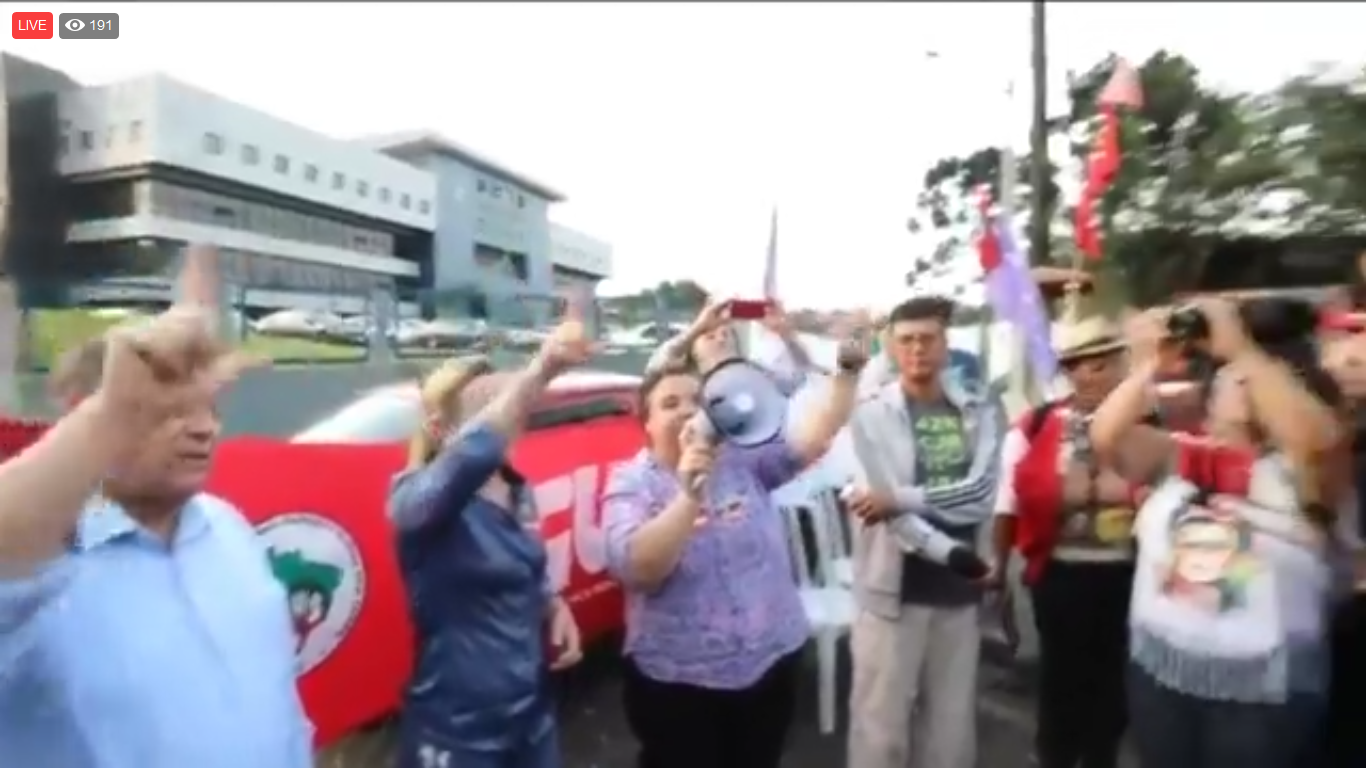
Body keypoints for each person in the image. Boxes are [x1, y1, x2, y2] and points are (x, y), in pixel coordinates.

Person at [0, 247, 308, 768]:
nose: (205, 428)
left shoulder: (229, 528)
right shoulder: (39, 566)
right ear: (89, 417)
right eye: (169, 411)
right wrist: (109, 416)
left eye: (209, 408)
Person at [1089, 297, 1346, 768]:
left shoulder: (1303, 472)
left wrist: (1241, 349)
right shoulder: (1187, 455)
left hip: (1262, 691)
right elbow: (1106, 436)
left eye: (1241, 377)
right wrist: (1150, 364)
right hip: (1164, 673)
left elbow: (1315, 442)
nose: (1228, 380)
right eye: (1225, 375)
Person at [603, 319, 868, 768]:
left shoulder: (744, 459)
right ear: (645, 423)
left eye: (698, 400)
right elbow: (638, 567)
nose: (689, 411)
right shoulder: (633, 484)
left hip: (769, 662)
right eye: (670, 404)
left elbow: (817, 433)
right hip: (682, 686)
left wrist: (847, 371)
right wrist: (691, 494)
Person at [386, 311, 592, 768]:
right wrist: (541, 368)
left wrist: (552, 604)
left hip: (531, 717)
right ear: (441, 429)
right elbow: (474, 453)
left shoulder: (517, 490)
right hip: (455, 735)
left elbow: (521, 567)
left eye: (508, 405)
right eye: (491, 408)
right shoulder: (417, 501)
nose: (511, 418)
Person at [842, 295, 1006, 768]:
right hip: (891, 591)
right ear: (891, 347)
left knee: (950, 729)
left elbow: (980, 492)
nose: (917, 349)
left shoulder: (978, 410)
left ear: (945, 343)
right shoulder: (868, 414)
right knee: (879, 727)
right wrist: (950, 550)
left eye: (927, 339)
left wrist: (902, 498)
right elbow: (879, 508)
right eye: (907, 340)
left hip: (958, 594)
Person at [988, 314, 1136, 768]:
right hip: (1060, 573)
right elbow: (1007, 503)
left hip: (1132, 575)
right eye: (1078, 365)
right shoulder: (1034, 426)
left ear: (1121, 364)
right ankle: (1054, 756)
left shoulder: (1155, 423)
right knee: (1061, 679)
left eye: (1101, 363)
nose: (1089, 374)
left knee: (1115, 683)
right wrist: (999, 571)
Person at [648, 298, 820, 393]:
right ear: (694, 352)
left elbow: (801, 378)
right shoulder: (688, 382)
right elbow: (654, 369)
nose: (720, 339)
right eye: (710, 336)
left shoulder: (754, 375)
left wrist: (786, 334)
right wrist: (697, 328)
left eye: (726, 334)